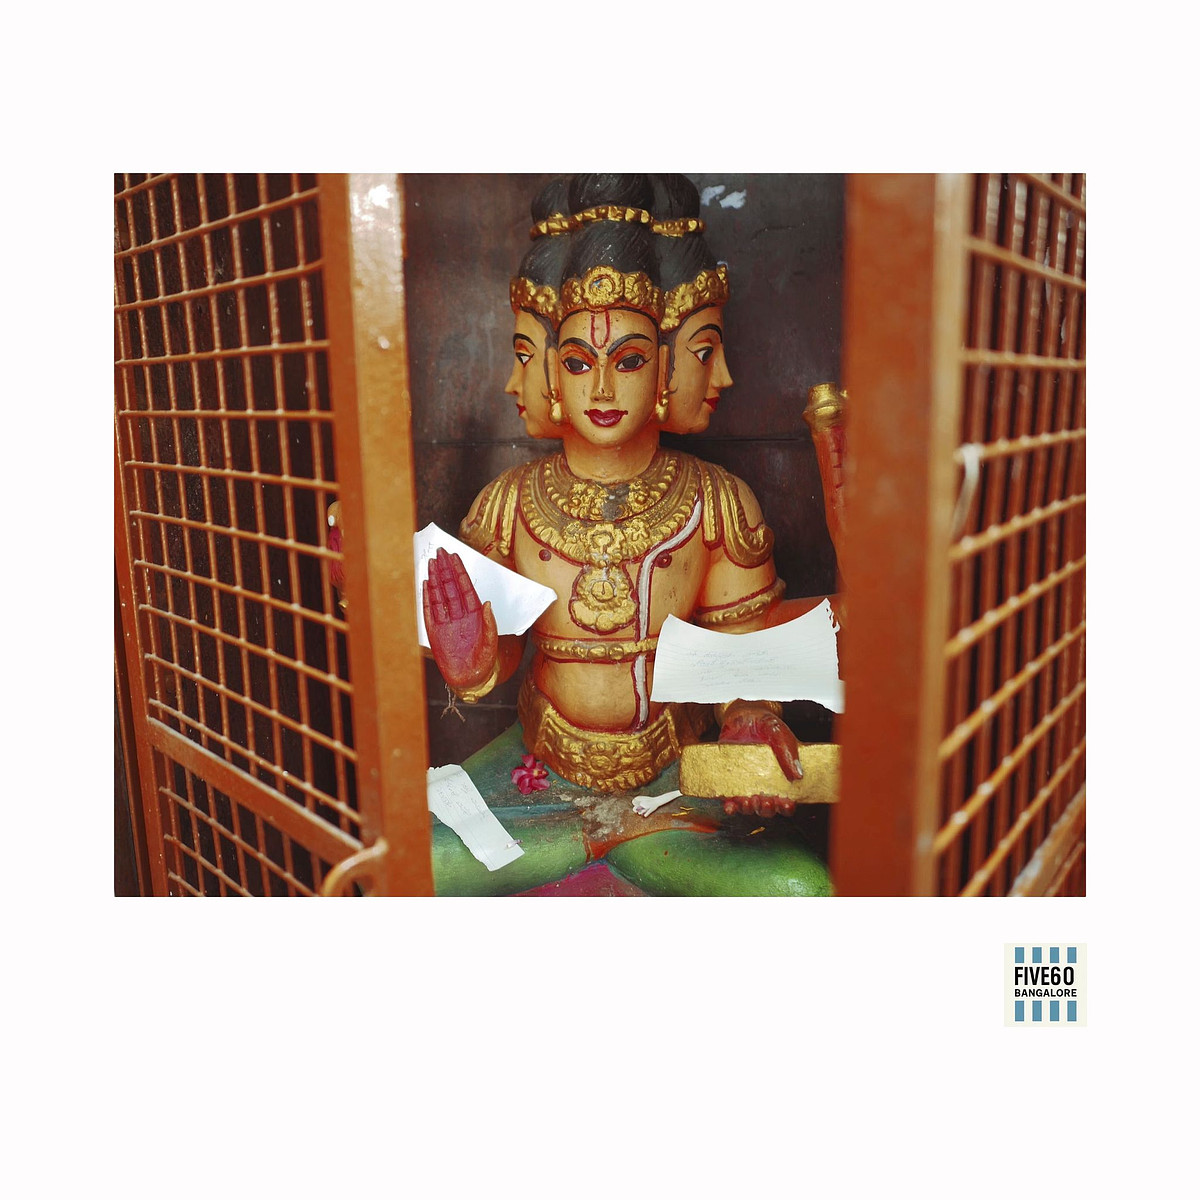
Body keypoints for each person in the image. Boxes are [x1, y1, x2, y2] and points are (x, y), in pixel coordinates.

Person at [423, 174, 831, 895]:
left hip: (672, 777)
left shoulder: (714, 503)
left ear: (670, 361)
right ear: (547, 365)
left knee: (797, 889)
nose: (603, 390)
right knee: (414, 860)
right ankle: (594, 834)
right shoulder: (507, 505)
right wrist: (473, 661)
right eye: (579, 362)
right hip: (540, 770)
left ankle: (613, 832)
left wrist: (748, 716)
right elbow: (499, 656)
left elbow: (741, 656)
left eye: (631, 360)